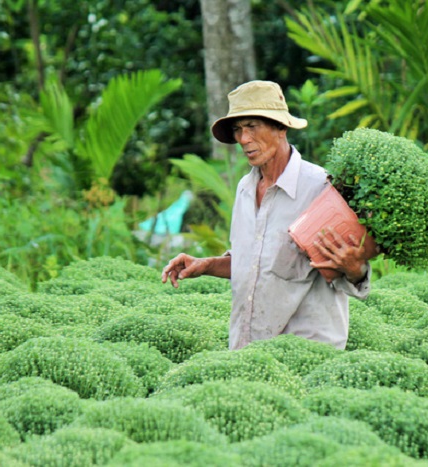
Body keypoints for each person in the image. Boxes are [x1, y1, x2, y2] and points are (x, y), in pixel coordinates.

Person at [161, 80, 379, 350]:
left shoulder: (322, 188)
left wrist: (356, 269)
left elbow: (351, 271)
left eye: (252, 126)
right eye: (238, 129)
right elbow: (254, 266)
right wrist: (205, 265)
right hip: (249, 350)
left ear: (281, 127)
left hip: (306, 352)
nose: (243, 139)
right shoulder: (244, 189)